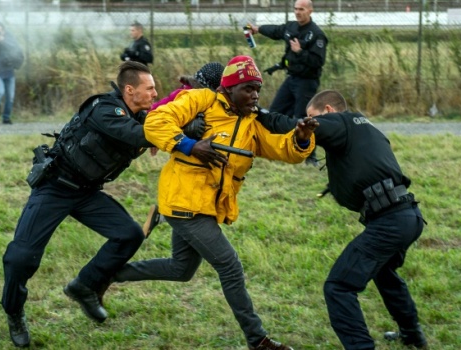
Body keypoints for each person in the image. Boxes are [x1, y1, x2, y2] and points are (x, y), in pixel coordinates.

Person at [107, 55, 318, 350]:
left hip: (206, 205)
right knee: (230, 266)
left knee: (182, 269)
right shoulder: (201, 99)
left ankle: (106, 274)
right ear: (228, 89)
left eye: (258, 88)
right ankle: (258, 340)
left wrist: (300, 138)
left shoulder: (250, 123)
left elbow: (283, 150)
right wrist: (190, 145)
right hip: (184, 202)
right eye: (247, 88)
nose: (255, 95)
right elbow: (156, 121)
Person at [0, 61, 158, 348]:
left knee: (130, 234)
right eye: (150, 88)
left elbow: (152, 125)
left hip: (86, 192)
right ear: (130, 89)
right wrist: (161, 136)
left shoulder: (139, 116)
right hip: (55, 187)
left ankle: (84, 286)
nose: (155, 93)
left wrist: (188, 127)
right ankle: (13, 311)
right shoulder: (104, 109)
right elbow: (134, 135)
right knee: (21, 258)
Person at [258, 90, 428, 349]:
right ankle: (413, 335)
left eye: (313, 117)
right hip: (408, 215)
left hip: (390, 221)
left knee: (338, 287)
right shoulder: (363, 126)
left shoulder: (341, 121)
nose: (312, 123)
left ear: (328, 111)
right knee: (384, 273)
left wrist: (259, 114)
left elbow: (298, 126)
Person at [143, 61, 225, 236]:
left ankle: (163, 215)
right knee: (187, 194)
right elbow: (155, 113)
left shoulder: (189, 92)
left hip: (186, 148)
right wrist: (182, 129)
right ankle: (163, 214)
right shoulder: (187, 95)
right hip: (185, 148)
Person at [247, 0, 327, 166]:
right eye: (296, 9)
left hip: (307, 82)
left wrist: (300, 52)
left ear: (310, 11)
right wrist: (258, 29)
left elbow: (317, 62)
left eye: (302, 9)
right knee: (275, 112)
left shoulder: (316, 34)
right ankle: (272, 147)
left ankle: (310, 155)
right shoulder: (292, 27)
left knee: (303, 119)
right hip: (291, 79)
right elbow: (277, 30)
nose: (298, 12)